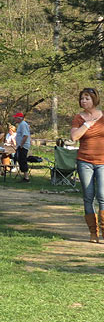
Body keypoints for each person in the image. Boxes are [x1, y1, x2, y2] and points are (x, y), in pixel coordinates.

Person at [70, 87, 104, 243]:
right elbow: (74, 137)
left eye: (87, 98)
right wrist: (87, 124)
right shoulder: (79, 118)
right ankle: (93, 233)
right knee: (88, 197)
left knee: (103, 197)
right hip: (85, 162)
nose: (84, 101)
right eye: (82, 98)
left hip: (103, 162)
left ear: (94, 100)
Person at [13, 112, 31, 182]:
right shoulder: (21, 125)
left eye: (16, 118)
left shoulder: (23, 125)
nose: (15, 119)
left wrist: (21, 145)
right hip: (20, 146)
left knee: (23, 160)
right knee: (20, 160)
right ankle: (25, 176)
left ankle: (26, 178)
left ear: (19, 118)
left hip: (23, 146)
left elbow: (25, 135)